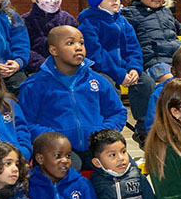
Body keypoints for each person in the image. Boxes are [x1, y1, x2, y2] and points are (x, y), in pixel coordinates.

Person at [19, 26, 128, 168]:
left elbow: (117, 112)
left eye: (81, 43)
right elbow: (25, 123)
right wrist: (55, 137)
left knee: (122, 164)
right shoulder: (34, 85)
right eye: (70, 43)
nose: (78, 48)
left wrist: (102, 133)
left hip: (95, 146)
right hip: (57, 149)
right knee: (69, 166)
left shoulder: (98, 80)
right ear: (53, 50)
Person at [77, 0, 150, 119]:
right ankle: (111, 127)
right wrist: (119, 74)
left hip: (124, 68)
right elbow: (96, 55)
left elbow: (133, 48)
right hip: (100, 69)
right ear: (97, 1)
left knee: (146, 83)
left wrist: (134, 68)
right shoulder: (88, 24)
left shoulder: (123, 22)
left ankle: (144, 128)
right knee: (107, 86)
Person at [121, 0, 181, 96]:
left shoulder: (166, 13)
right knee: (175, 83)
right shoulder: (130, 14)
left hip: (175, 60)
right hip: (154, 62)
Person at [22, 0, 77, 74]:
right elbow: (24, 49)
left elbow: (77, 45)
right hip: (36, 72)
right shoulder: (24, 21)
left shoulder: (68, 19)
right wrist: (45, 66)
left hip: (66, 71)